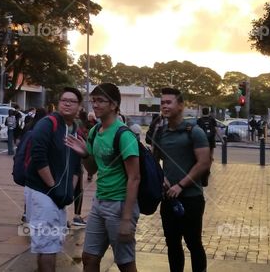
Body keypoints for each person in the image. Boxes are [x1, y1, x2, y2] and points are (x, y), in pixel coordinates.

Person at [65, 83, 140, 272]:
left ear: (114, 105)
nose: (95, 105)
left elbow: (134, 178)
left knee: (125, 263)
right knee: (89, 258)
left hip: (120, 204)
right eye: (93, 101)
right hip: (100, 202)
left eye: (100, 101)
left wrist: (126, 218)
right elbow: (93, 168)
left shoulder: (124, 135)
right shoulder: (94, 132)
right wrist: (84, 154)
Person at [152, 88, 211, 272]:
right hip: (169, 199)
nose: (164, 106)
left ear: (181, 106)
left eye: (169, 102)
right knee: (172, 244)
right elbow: (154, 163)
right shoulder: (160, 133)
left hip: (191, 198)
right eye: (162, 103)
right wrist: (161, 179)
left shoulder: (194, 131)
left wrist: (180, 185)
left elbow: (204, 163)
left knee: (194, 244)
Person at [22, 87, 82, 272]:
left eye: (72, 101)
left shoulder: (75, 129)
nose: (67, 103)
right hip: (42, 193)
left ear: (79, 106)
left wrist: (69, 192)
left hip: (58, 197)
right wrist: (53, 187)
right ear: (58, 103)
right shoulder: (48, 123)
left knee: (51, 244)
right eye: (64, 100)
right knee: (48, 246)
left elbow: (75, 164)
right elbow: (38, 156)